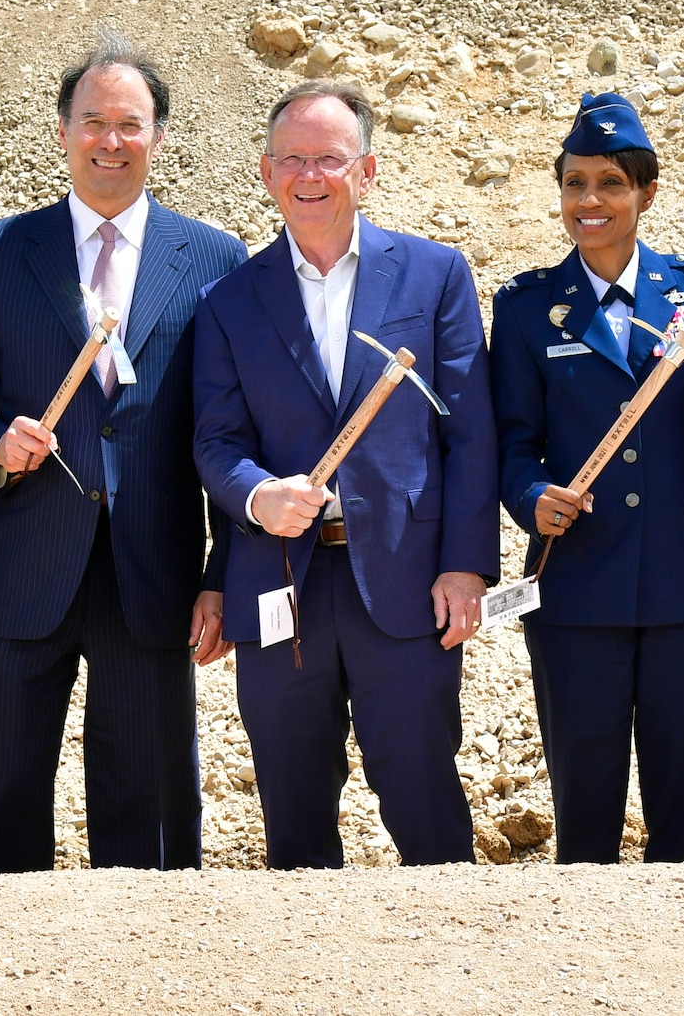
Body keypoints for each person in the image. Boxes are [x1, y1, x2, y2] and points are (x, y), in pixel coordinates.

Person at [0, 29, 245, 874]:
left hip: (152, 571)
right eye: (94, 121)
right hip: (26, 559)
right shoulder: (0, 251)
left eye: (131, 124)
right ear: (62, 131)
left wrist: (221, 573)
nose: (112, 141)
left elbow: (229, 425)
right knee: (2, 795)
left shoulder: (215, 259)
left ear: (160, 137)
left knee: (148, 812)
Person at [192, 80, 498, 870]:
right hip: (279, 583)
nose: (309, 175)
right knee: (292, 808)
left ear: (366, 171)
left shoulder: (434, 276)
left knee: (424, 794)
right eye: (291, 158)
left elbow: (469, 433)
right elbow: (217, 443)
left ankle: (453, 965)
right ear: (265, 173)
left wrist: (465, 564)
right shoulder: (227, 300)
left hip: (406, 582)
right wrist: (260, 496)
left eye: (329, 157)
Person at [489, 92, 684, 864]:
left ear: (648, 192)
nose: (591, 200)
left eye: (612, 183)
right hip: (577, 586)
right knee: (583, 813)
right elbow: (511, 445)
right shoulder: (525, 309)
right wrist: (530, 497)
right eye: (576, 182)